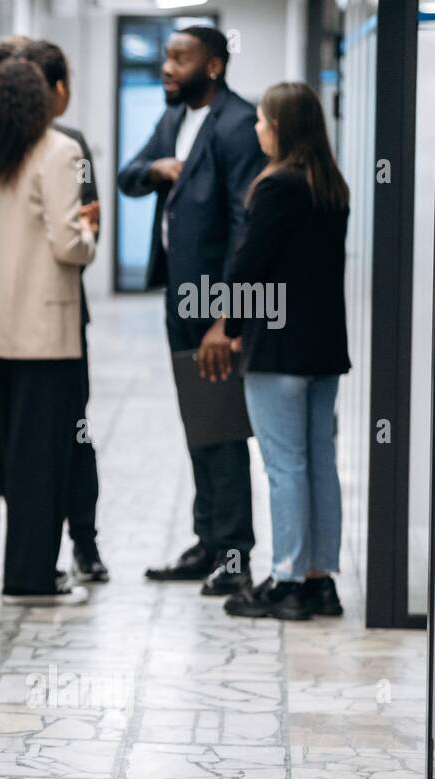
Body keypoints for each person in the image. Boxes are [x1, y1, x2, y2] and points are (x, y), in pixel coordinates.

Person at [0, 37, 108, 584]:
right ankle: (31, 574)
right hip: (44, 331)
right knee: (43, 451)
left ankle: (29, 561)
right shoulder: (60, 151)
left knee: (6, 441)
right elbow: (69, 245)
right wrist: (87, 229)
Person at [117, 26, 266, 596]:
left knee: (222, 427)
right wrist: (159, 170)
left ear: (214, 66)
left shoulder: (236, 124)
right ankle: (209, 543)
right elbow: (130, 176)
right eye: (166, 57)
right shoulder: (175, 121)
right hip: (179, 296)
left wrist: (225, 318)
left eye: (180, 57)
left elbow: (243, 228)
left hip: (212, 304)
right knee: (199, 424)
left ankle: (234, 556)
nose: (167, 67)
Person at [212, 83, 351, 620]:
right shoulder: (330, 186)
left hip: (279, 350)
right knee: (319, 461)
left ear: (283, 128)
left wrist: (228, 325)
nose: (257, 128)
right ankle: (320, 580)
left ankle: (287, 580)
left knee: (285, 465)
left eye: (264, 121)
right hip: (321, 350)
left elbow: (249, 266)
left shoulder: (277, 187)